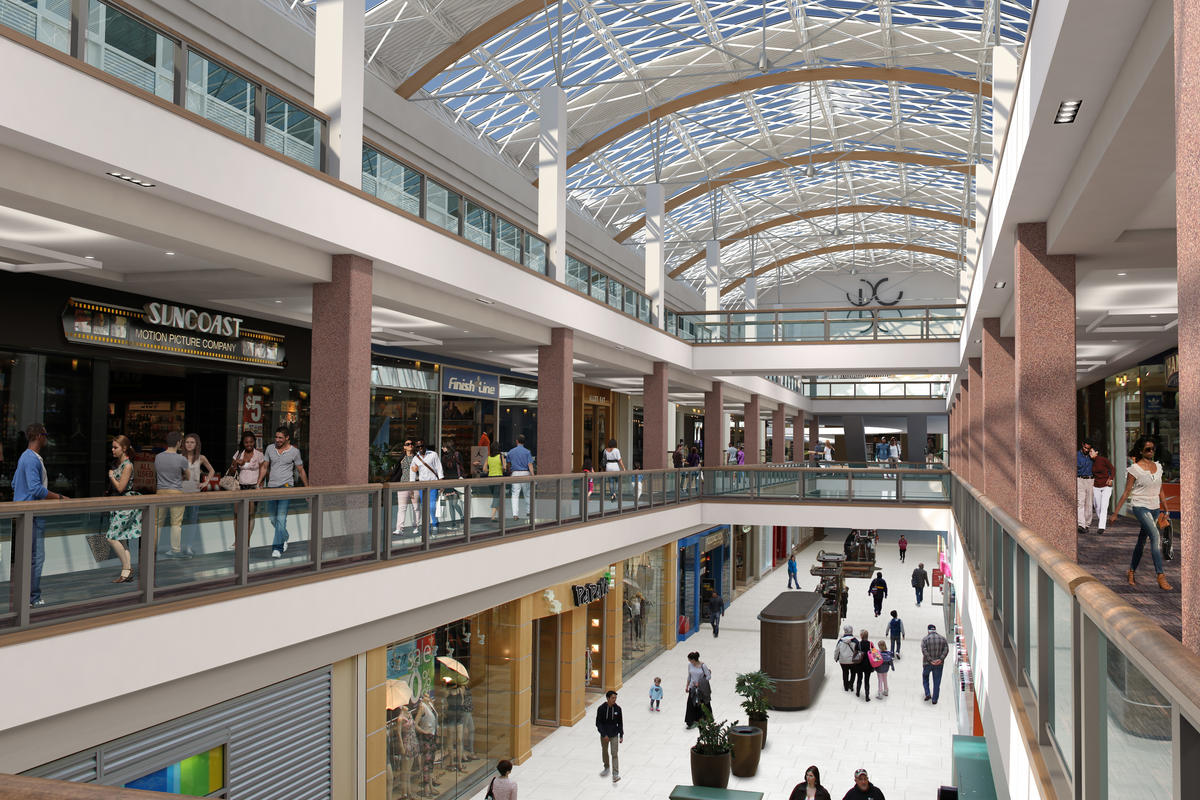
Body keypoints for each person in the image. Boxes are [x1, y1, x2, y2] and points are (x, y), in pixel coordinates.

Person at [13, 423, 66, 607]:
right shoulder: (31, 459)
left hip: (26, 513)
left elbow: (14, 483)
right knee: (36, 557)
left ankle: (26, 597)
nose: (47, 438)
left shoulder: (26, 458)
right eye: (46, 434)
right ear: (39, 436)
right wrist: (59, 497)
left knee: (28, 556)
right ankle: (32, 598)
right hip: (32, 514)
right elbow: (35, 488)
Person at [1111, 436, 1172, 591]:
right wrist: (1116, 513)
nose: (1151, 452)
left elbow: (1161, 489)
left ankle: (1131, 571)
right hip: (1140, 506)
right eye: (1147, 449)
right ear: (1141, 451)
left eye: (1153, 449)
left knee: (1141, 541)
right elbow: (1126, 492)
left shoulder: (1158, 467)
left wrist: (1166, 508)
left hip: (1155, 507)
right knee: (1156, 537)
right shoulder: (1134, 469)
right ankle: (1160, 576)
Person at [259, 426, 308, 559]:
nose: (277, 440)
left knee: (281, 518)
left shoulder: (295, 452)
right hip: (271, 488)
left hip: (286, 487)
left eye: (280, 437)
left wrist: (307, 488)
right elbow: (264, 467)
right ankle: (285, 536)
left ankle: (277, 548)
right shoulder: (270, 448)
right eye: (276, 437)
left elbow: (301, 470)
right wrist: (259, 483)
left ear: (287, 438)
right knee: (273, 519)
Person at [104, 435, 141, 583]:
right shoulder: (119, 464)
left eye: (115, 447)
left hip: (125, 503)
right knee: (122, 539)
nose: (112, 450)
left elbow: (120, 487)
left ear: (124, 448)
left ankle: (127, 568)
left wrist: (111, 477)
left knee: (111, 537)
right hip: (119, 504)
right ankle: (126, 572)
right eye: (112, 447)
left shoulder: (127, 465)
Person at [155, 431, 190, 560]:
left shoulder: (158, 457)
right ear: (178, 443)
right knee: (176, 523)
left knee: (157, 522)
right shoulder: (181, 458)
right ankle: (175, 549)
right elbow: (188, 476)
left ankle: (153, 547)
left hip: (160, 492)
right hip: (176, 492)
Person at [181, 433, 215, 555]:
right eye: (187, 442)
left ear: (196, 445)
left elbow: (212, 470)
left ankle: (188, 546)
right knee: (179, 521)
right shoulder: (180, 457)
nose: (189, 444)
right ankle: (178, 546)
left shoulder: (201, 458)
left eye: (192, 442)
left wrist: (205, 483)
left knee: (192, 520)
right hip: (181, 493)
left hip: (195, 493)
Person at [231, 432, 264, 535]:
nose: (249, 444)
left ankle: (247, 541)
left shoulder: (259, 455)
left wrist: (260, 485)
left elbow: (263, 471)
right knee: (237, 514)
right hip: (240, 487)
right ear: (243, 443)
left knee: (250, 515)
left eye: (251, 442)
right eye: (246, 442)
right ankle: (237, 540)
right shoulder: (238, 453)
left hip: (253, 487)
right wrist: (236, 463)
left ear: (254, 442)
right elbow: (232, 471)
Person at [410, 438, 444, 529]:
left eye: (422, 446)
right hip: (422, 485)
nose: (420, 448)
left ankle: (435, 522)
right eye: (418, 447)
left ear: (425, 446)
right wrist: (411, 488)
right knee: (424, 506)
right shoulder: (415, 458)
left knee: (432, 506)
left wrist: (441, 483)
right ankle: (427, 525)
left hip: (433, 484)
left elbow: (439, 468)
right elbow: (412, 473)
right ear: (416, 448)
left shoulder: (433, 454)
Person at [594, 689, 624, 783]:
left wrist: (621, 735)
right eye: (612, 698)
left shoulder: (618, 709)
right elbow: (598, 723)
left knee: (614, 753)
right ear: (608, 698)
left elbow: (620, 723)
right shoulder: (601, 709)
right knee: (604, 751)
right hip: (604, 735)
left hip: (614, 734)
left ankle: (615, 774)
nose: (614, 700)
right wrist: (604, 734)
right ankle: (606, 767)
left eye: (615, 698)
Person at [389, 439, 417, 535]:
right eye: (408, 444)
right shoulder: (402, 458)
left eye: (411, 444)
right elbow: (397, 471)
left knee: (416, 507)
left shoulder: (417, 458)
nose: (410, 445)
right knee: (402, 508)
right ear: (404, 447)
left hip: (415, 485)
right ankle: (399, 528)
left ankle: (416, 526)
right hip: (403, 484)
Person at [507, 434, 534, 519]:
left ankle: (515, 514)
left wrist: (509, 471)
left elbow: (508, 464)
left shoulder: (511, 451)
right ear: (524, 442)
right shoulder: (527, 452)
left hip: (515, 474)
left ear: (517, 441)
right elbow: (530, 465)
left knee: (515, 495)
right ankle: (529, 512)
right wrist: (533, 475)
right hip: (525, 473)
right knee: (527, 494)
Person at [921, 623, 950, 704]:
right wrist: (940, 659)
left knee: (925, 677)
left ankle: (927, 693)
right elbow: (946, 649)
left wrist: (930, 660)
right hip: (939, 664)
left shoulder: (925, 639)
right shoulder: (943, 639)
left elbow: (924, 651)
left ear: (928, 630)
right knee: (937, 682)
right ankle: (934, 699)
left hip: (927, 663)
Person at [1090, 444, 1115, 535]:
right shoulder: (1091, 461)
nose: (1090, 453)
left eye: (1091, 451)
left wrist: (1111, 478)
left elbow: (1112, 469)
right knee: (1097, 506)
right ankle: (1102, 521)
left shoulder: (1103, 460)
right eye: (1089, 452)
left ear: (1096, 452)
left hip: (1106, 486)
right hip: (1096, 486)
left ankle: (1101, 527)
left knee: (1104, 507)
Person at [684, 651, 712, 729]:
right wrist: (687, 686)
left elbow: (708, 677)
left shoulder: (703, 666)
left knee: (702, 704)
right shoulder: (690, 665)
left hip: (701, 689)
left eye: (690, 660)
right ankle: (690, 721)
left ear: (694, 659)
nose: (689, 662)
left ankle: (704, 719)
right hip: (692, 687)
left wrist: (699, 683)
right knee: (690, 704)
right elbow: (689, 676)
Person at [439, 440, 464, 528]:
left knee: (454, 503)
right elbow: (442, 471)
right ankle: (453, 522)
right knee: (450, 504)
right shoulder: (443, 457)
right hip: (448, 482)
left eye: (443, 446)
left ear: (447, 447)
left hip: (456, 481)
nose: (442, 448)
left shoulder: (457, 455)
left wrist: (461, 476)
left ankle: (462, 516)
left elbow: (461, 466)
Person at [834, 624, 860, 692]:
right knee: (853, 673)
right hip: (852, 661)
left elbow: (837, 650)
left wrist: (836, 658)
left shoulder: (841, 641)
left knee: (845, 673)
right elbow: (858, 651)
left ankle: (845, 686)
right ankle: (851, 685)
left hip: (843, 660)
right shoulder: (855, 641)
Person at [1077, 438, 1094, 534]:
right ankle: (1081, 524)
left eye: (1088, 448)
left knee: (1089, 503)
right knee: (1080, 502)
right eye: (1085, 448)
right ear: (1082, 445)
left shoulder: (1092, 456)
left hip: (1090, 480)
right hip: (1079, 479)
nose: (1086, 450)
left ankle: (1087, 524)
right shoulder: (1077, 455)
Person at [485, 441, 505, 520]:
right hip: (498, 478)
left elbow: (484, 469)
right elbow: (504, 467)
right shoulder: (501, 456)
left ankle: (500, 516)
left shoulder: (489, 457)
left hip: (490, 479)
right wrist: (501, 468)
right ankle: (492, 516)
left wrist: (490, 470)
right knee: (496, 497)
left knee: (497, 496)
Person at [855, 629, 874, 701]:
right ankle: (867, 696)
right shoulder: (870, 644)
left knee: (859, 678)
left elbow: (855, 652)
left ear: (861, 636)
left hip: (860, 664)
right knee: (867, 680)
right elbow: (874, 653)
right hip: (868, 664)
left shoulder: (858, 644)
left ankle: (857, 692)